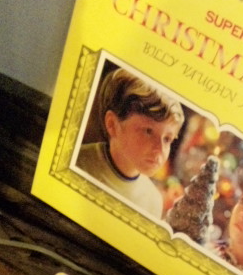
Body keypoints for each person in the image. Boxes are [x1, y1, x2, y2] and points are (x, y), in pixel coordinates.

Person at [76, 68, 185, 219]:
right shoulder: (78, 162)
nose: (160, 149)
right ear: (112, 125)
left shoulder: (152, 202)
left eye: (167, 139)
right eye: (148, 131)